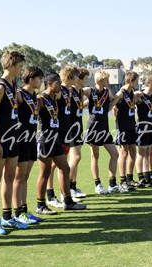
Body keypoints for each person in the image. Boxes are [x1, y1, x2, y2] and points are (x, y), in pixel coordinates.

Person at [0, 50, 28, 235]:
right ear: (11, 66)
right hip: (0, 139)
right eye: (19, 67)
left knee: (10, 177)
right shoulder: (0, 86)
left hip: (14, 137)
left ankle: (7, 216)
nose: (21, 70)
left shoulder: (13, 84)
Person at [36, 73, 86, 214]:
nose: (61, 85)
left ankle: (68, 201)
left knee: (65, 168)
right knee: (44, 173)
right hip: (45, 139)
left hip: (56, 139)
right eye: (58, 82)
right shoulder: (41, 99)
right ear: (51, 83)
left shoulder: (54, 98)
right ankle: (41, 205)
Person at [12, 65, 44, 224]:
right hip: (22, 139)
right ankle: (17, 212)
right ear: (31, 79)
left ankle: (24, 210)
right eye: (39, 79)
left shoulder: (35, 97)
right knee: (19, 177)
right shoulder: (20, 94)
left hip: (32, 138)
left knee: (25, 177)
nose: (41, 82)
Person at [46, 66, 80, 208]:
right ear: (69, 77)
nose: (78, 79)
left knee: (60, 165)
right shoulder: (59, 91)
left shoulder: (69, 91)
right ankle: (50, 195)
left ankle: (64, 194)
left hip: (66, 131)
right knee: (52, 166)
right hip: (57, 132)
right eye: (76, 76)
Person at [83, 70, 120, 194]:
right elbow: (77, 94)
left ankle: (112, 184)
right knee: (95, 156)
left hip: (104, 128)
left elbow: (112, 101)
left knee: (115, 154)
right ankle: (97, 184)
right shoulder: (89, 90)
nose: (108, 82)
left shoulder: (107, 91)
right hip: (93, 127)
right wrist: (85, 104)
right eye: (106, 80)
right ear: (99, 81)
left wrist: (113, 104)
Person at [114, 71, 139, 192]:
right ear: (131, 81)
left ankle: (130, 178)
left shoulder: (132, 92)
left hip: (131, 125)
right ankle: (122, 181)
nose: (138, 83)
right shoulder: (121, 92)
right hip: (123, 126)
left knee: (133, 150)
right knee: (123, 152)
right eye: (136, 81)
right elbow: (113, 105)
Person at [67, 68, 90, 199]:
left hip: (78, 126)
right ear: (78, 79)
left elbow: (78, 106)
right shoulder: (70, 91)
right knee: (75, 157)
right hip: (71, 128)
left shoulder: (80, 91)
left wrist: (87, 102)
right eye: (85, 79)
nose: (87, 81)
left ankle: (73, 186)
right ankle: (68, 188)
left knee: (76, 158)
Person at [135, 75, 152, 187]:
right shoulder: (141, 95)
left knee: (148, 152)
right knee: (141, 153)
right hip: (143, 128)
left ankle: (147, 176)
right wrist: (137, 93)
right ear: (151, 84)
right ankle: (140, 177)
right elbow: (133, 96)